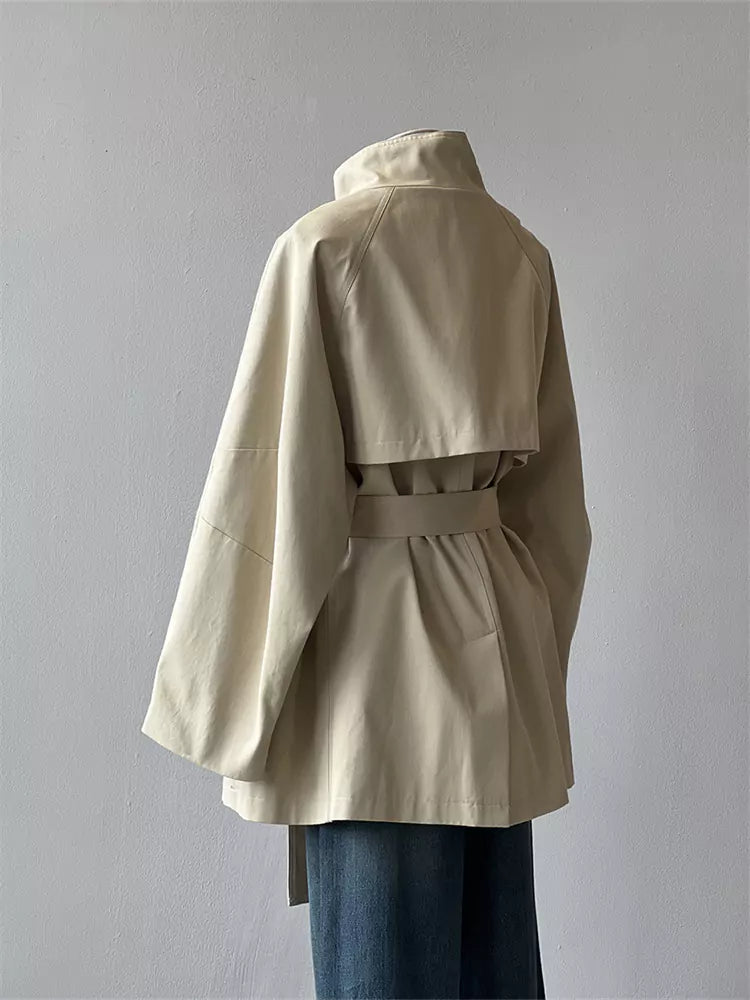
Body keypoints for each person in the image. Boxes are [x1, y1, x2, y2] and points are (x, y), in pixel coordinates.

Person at [140, 127, 593, 999]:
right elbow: (555, 509)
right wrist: (537, 673)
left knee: (381, 968)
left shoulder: (325, 244)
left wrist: (217, 698)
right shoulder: (521, 254)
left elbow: (276, 486)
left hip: (374, 661)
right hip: (498, 650)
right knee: (492, 967)